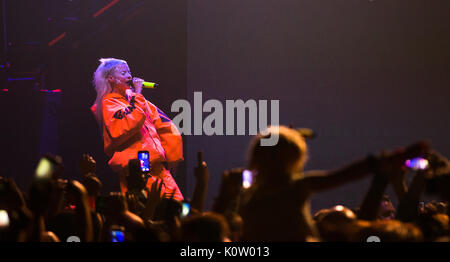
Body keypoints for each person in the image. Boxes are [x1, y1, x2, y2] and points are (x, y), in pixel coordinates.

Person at [91, 58, 184, 201]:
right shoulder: (109, 103)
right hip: (140, 164)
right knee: (148, 207)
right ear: (111, 79)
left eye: (129, 72)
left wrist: (174, 155)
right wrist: (138, 93)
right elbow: (128, 124)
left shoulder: (138, 101)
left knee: (177, 206)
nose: (129, 76)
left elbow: (164, 124)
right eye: (123, 73)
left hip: (158, 166)